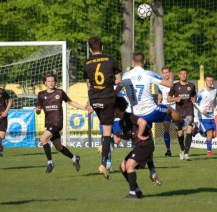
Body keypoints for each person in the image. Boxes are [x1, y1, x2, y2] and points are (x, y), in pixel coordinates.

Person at [115, 51, 188, 186]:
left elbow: (115, 91)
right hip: (150, 111)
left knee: (146, 139)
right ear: (144, 61)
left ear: (132, 62)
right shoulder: (148, 73)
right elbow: (170, 85)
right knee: (170, 109)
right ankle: (184, 124)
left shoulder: (126, 75)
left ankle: (152, 171)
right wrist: (171, 77)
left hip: (135, 115)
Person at [36, 73, 92, 173]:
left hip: (57, 123)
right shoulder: (41, 94)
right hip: (49, 123)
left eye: (52, 81)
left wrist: (83, 108)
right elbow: (38, 109)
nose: (51, 83)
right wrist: (38, 110)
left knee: (43, 138)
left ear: (55, 82)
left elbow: (70, 102)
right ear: (45, 82)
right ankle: (75, 158)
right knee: (59, 147)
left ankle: (50, 163)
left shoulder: (60, 92)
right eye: (48, 81)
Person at [83, 36, 122, 179]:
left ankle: (103, 147)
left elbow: (88, 83)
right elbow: (119, 80)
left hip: (94, 99)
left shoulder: (87, 62)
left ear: (90, 49)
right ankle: (104, 163)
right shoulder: (110, 60)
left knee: (105, 128)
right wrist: (110, 85)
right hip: (107, 98)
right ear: (102, 48)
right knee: (107, 133)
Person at [114, 96, 154, 199]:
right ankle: (137, 191)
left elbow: (143, 122)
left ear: (117, 109)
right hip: (140, 146)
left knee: (129, 166)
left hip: (145, 145)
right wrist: (119, 136)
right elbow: (128, 137)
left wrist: (140, 135)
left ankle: (133, 194)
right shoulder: (121, 121)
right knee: (122, 167)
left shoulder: (129, 116)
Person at [167, 68, 196, 161]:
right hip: (179, 113)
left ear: (187, 75)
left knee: (189, 131)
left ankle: (186, 153)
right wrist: (175, 99)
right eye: (181, 74)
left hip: (189, 112)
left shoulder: (191, 86)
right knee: (180, 134)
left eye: (185, 74)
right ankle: (182, 150)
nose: (183, 75)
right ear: (179, 75)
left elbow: (194, 96)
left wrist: (194, 99)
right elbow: (168, 99)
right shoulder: (175, 86)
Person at [193, 75, 217, 156]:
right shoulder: (201, 93)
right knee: (209, 133)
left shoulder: (214, 90)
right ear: (205, 81)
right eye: (208, 80)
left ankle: (198, 130)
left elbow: (214, 99)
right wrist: (202, 110)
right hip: (203, 116)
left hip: (211, 116)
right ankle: (209, 152)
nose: (210, 82)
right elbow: (195, 103)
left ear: (213, 81)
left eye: (211, 81)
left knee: (214, 135)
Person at [157, 66, 176, 156]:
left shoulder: (175, 84)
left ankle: (183, 149)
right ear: (162, 74)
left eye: (167, 72)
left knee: (179, 128)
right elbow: (160, 95)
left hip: (175, 108)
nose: (166, 74)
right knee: (166, 128)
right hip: (166, 108)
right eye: (164, 73)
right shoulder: (160, 84)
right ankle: (168, 150)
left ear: (170, 72)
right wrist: (159, 102)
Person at [0, 88, 13, 157]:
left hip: (3, 117)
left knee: (1, 137)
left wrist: (6, 111)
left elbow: (10, 100)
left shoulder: (2, 91)